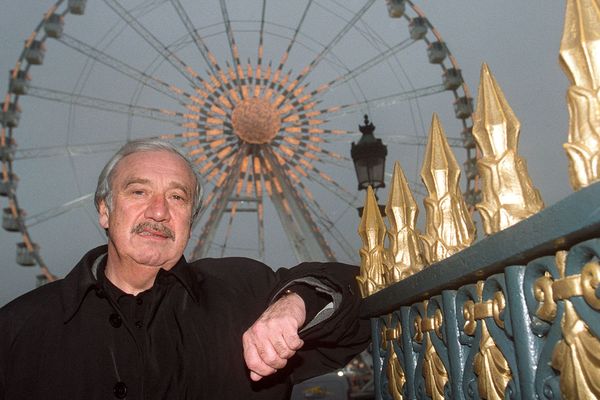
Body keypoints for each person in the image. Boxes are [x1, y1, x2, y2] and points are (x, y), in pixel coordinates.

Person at [0, 139, 370, 400]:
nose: (159, 211)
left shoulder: (244, 296)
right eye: (139, 192)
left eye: (177, 197)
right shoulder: (20, 327)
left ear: (190, 220)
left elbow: (368, 294)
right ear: (104, 210)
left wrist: (295, 303)